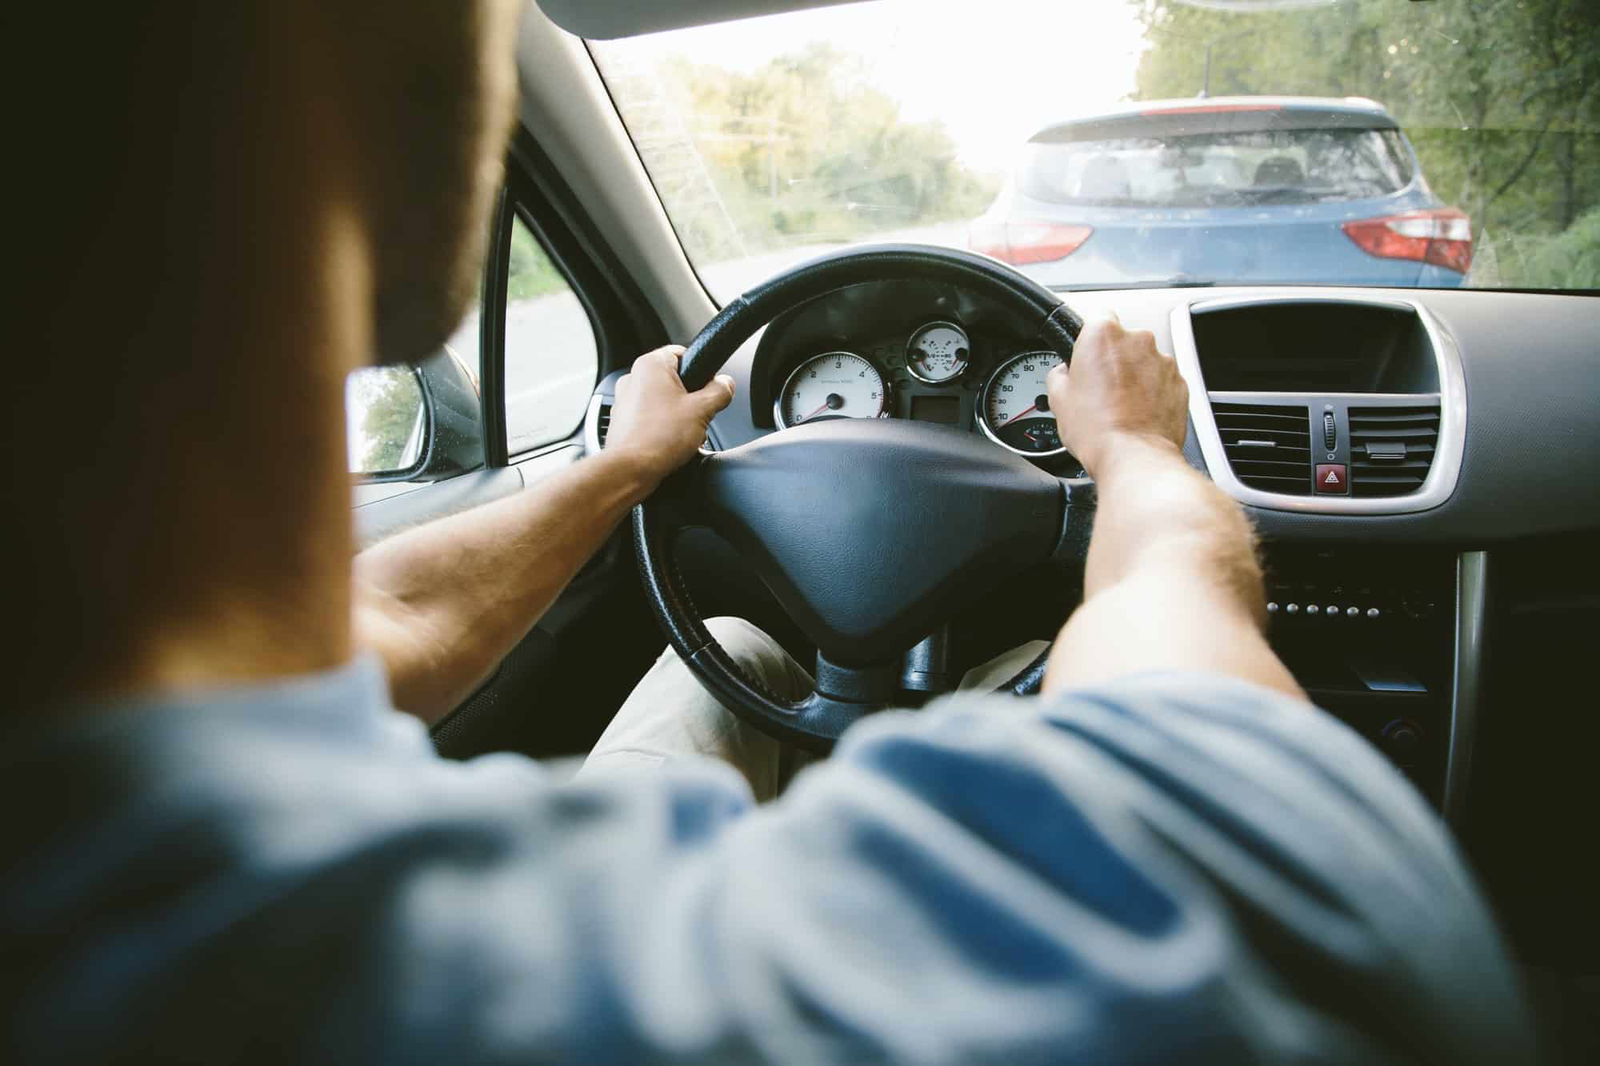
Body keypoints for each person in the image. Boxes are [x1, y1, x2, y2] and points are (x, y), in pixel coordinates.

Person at [2, 2, 1530, 1063]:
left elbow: (379, 623)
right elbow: (1199, 666)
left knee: (737, 645)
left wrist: (624, 469)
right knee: (754, 640)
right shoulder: (1151, 951)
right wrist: (1132, 456)